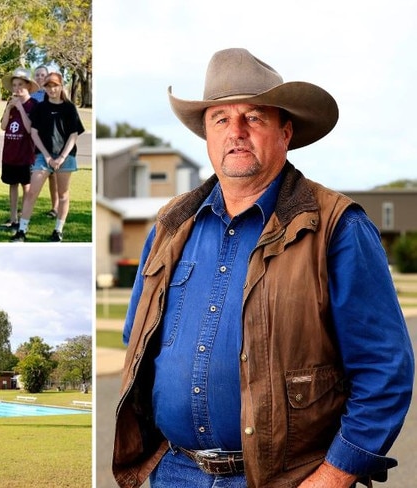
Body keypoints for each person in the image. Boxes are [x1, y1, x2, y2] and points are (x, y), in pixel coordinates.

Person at [112, 48, 415, 488]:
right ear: (207, 136)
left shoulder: (337, 227)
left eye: (253, 118)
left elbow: (384, 369)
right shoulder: (171, 225)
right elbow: (137, 340)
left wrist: (332, 477)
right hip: (175, 472)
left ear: (285, 132)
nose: (235, 132)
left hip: (288, 479)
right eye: (221, 119)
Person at [10, 72, 85, 243]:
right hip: (43, 157)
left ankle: (58, 230)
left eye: (55, 86)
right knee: (31, 193)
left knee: (63, 194)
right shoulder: (40, 107)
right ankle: (22, 231)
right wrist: (47, 156)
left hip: (65, 157)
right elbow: (34, 132)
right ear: (45, 88)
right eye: (49, 86)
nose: (52, 89)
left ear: (61, 86)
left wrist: (61, 158)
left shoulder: (69, 108)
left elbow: (74, 134)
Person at [0, 67, 39, 230]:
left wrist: (21, 108)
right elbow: (3, 126)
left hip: (26, 154)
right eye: (14, 85)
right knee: (12, 185)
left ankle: (24, 220)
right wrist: (9, 108)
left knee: (26, 187)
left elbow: (30, 128)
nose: (17, 89)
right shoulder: (11, 103)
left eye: (20, 85)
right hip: (10, 153)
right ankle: (13, 218)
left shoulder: (34, 105)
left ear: (28, 86)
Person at [31, 64, 59, 219]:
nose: (40, 77)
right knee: (32, 175)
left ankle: (55, 207)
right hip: (34, 141)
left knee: (52, 175)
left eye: (42, 75)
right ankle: (28, 207)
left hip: (52, 141)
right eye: (37, 75)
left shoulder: (54, 95)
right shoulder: (32, 95)